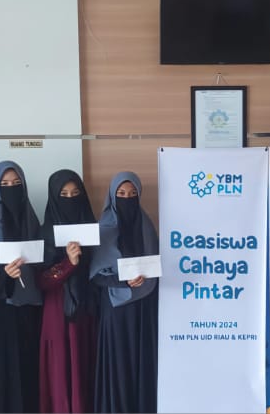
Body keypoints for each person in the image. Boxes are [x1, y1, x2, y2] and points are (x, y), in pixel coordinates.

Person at [0, 161, 44, 412]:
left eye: (16, 183)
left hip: (30, 311)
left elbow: (43, 263)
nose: (11, 188)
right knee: (2, 382)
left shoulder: (31, 219)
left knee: (28, 377)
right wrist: (2, 274)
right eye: (4, 184)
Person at [90, 172, 159, 413]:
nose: (127, 198)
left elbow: (155, 264)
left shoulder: (146, 225)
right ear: (112, 196)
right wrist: (124, 282)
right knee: (120, 365)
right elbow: (95, 276)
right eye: (121, 194)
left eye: (132, 194)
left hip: (145, 307)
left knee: (143, 363)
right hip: (116, 309)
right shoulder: (103, 229)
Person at [38, 170, 98, 413]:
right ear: (54, 198)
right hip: (57, 311)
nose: (70, 199)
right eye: (64, 195)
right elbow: (41, 281)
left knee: (85, 365)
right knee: (61, 369)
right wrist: (69, 263)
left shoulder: (93, 227)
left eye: (75, 194)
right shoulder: (44, 233)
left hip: (88, 311)